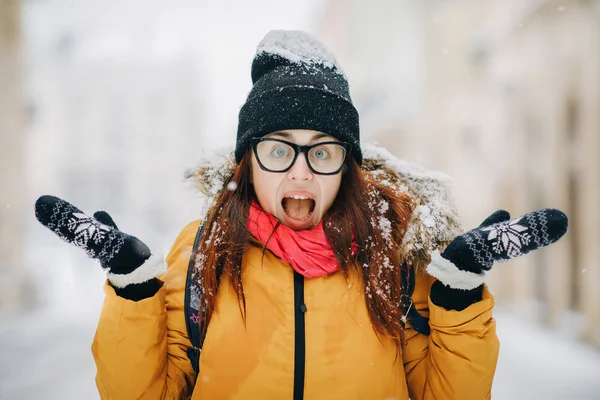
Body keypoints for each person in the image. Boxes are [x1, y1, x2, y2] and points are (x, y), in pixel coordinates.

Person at [35, 30, 568, 400]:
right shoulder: (203, 253)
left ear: (347, 167)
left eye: (323, 151)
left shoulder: (396, 256)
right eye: (278, 149)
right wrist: (133, 294)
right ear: (247, 162)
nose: (300, 174)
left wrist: (457, 298)